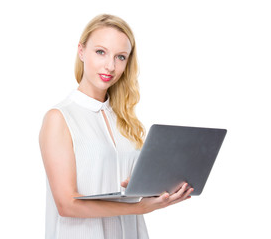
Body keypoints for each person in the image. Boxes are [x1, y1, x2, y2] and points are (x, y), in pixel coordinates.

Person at [39, 14, 193, 239]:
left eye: (120, 57)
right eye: (100, 52)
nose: (110, 66)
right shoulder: (60, 117)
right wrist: (138, 208)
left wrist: (154, 188)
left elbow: (123, 186)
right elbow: (67, 205)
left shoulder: (124, 121)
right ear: (81, 51)